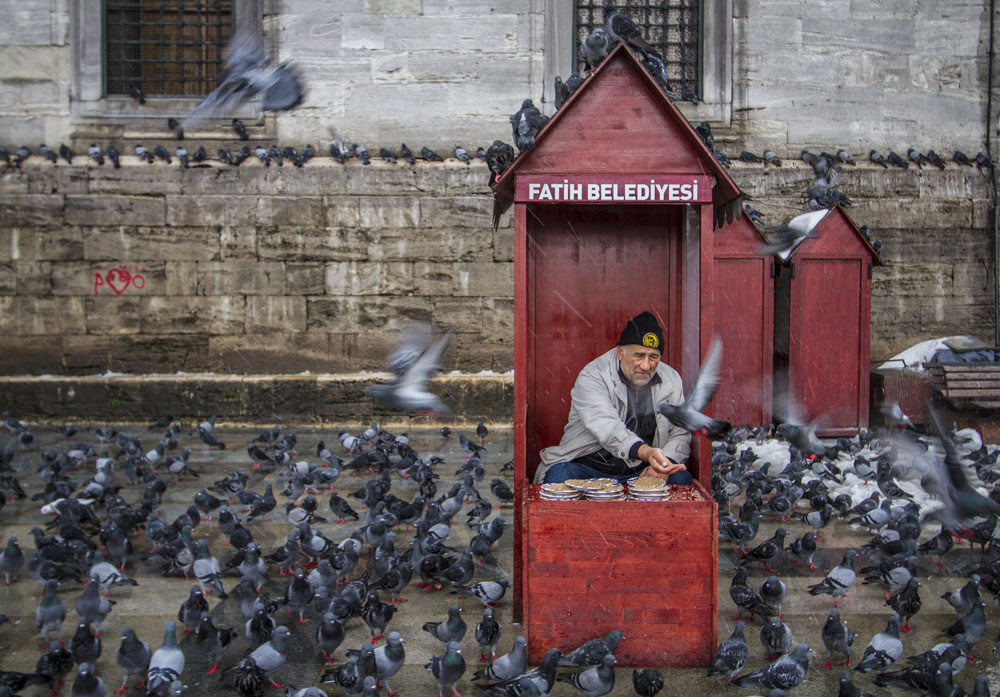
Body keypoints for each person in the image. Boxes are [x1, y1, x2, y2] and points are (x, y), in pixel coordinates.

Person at [535, 311, 693, 485]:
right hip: (589, 467)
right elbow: (606, 427)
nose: (646, 365)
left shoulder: (671, 379)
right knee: (559, 476)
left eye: (653, 357)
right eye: (639, 355)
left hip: (642, 471)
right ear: (620, 353)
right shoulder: (593, 375)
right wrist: (646, 452)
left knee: (681, 479)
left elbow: (680, 432)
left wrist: (663, 464)